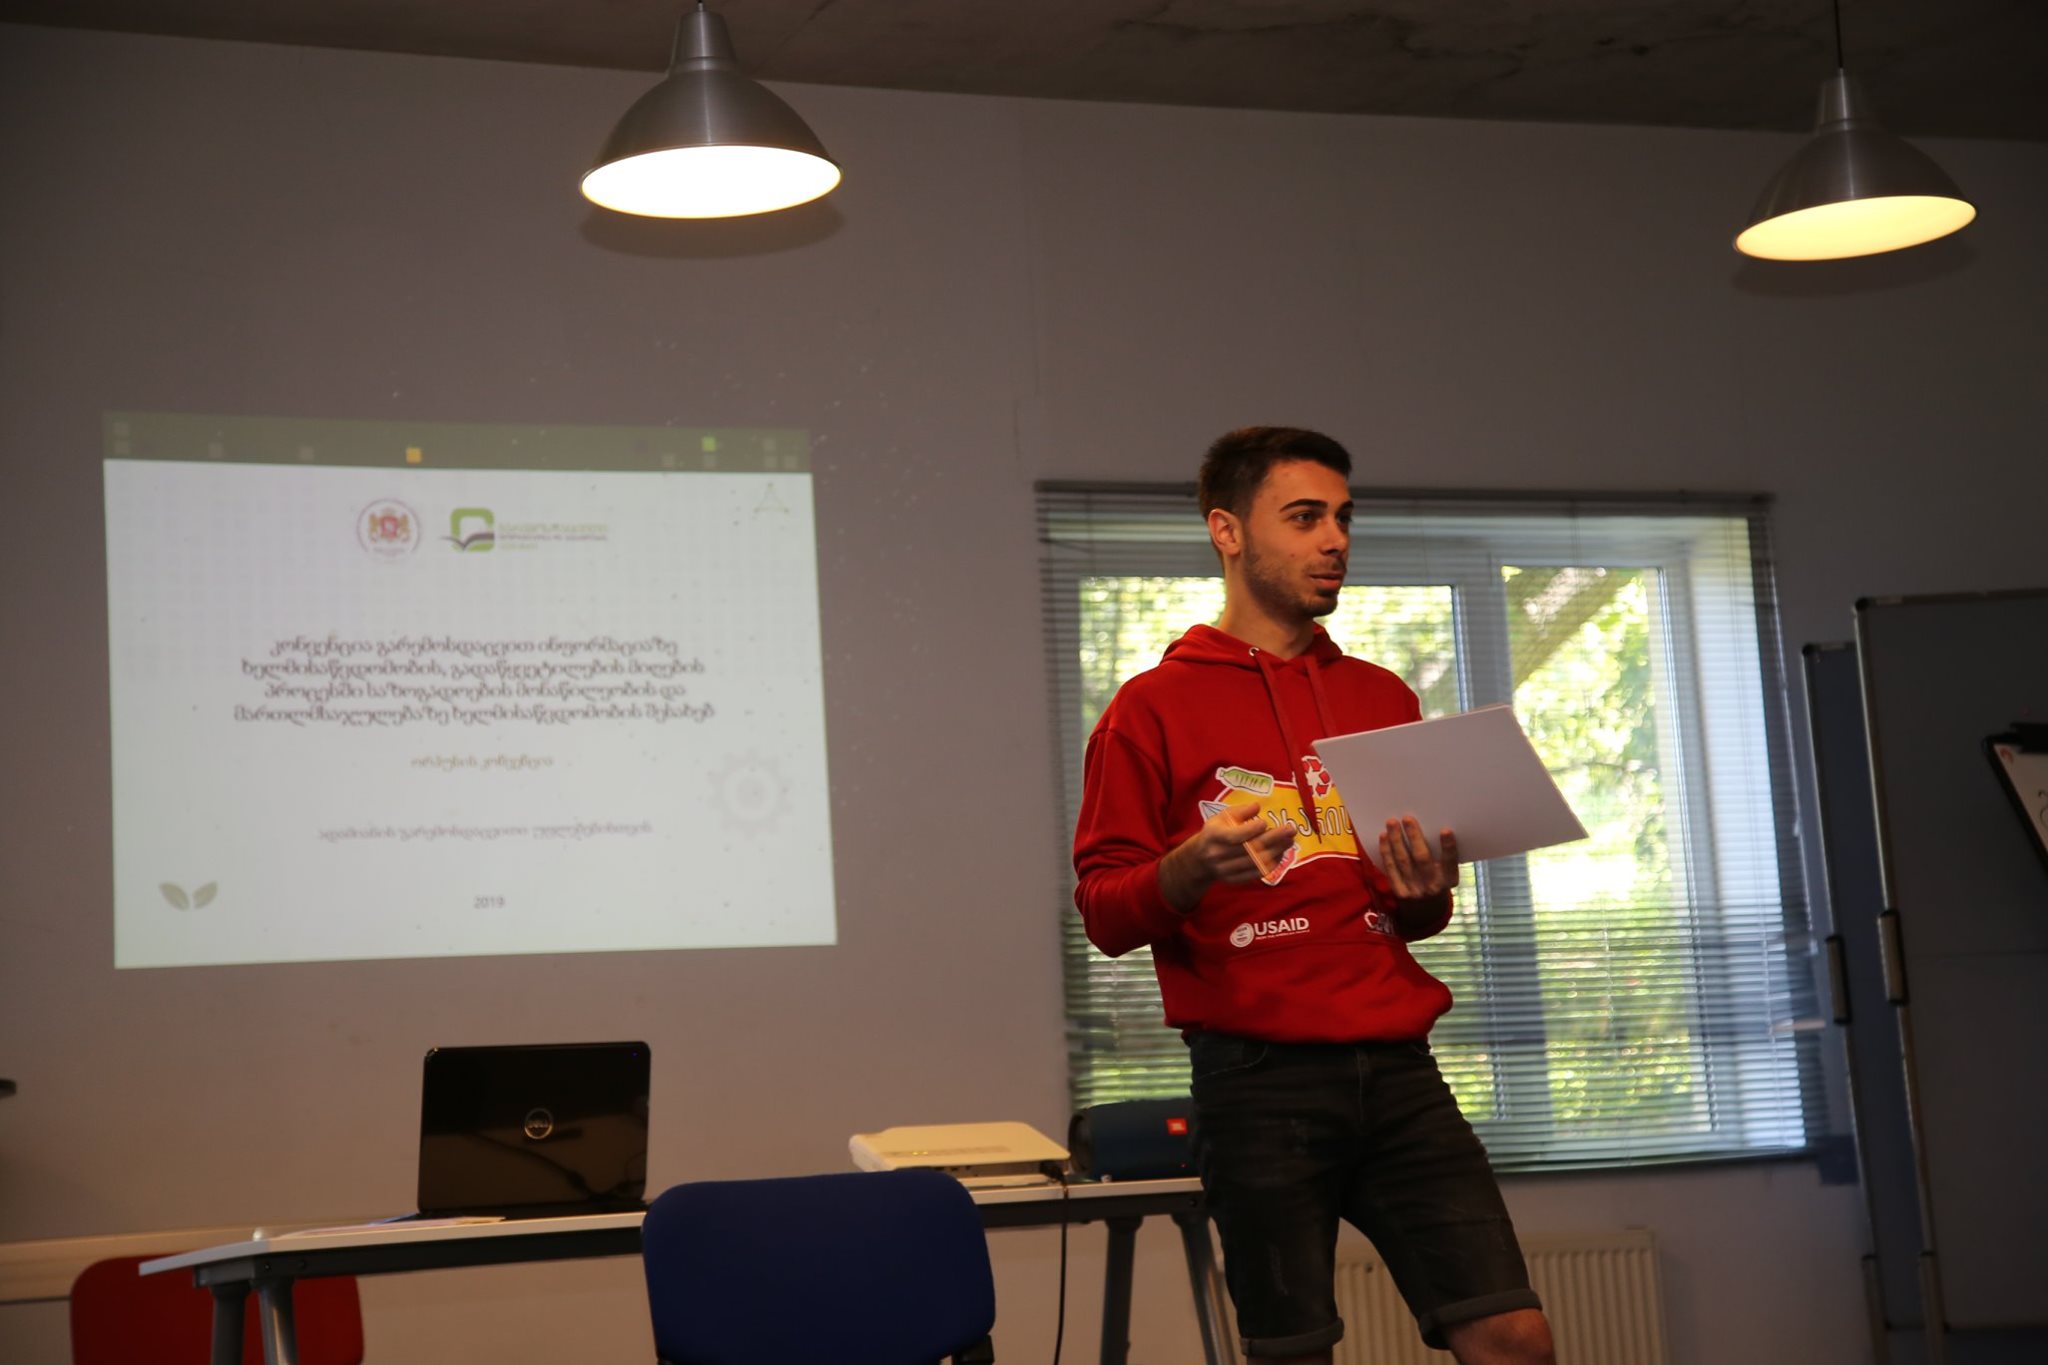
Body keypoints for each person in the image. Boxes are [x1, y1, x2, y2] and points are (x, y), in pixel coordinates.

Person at [1071, 427, 1554, 1365]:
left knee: (1514, 1335)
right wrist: (1190, 866)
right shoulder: (1148, 708)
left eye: (1342, 517)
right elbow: (1103, 911)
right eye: (1304, 517)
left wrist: (1424, 891)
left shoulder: (1382, 698)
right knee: (1294, 1355)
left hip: (1400, 1068)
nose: (1334, 539)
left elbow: (1414, 914)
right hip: (1257, 1081)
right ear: (1228, 531)